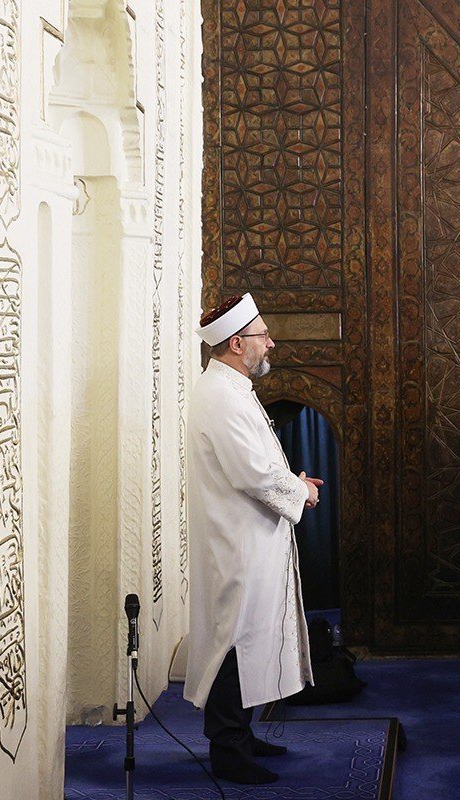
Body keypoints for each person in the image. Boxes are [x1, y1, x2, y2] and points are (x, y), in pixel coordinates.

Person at [183, 293, 322, 785]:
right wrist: (299, 490)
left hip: (251, 536)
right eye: (263, 335)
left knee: (250, 637)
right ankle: (227, 749)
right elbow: (252, 472)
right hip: (239, 542)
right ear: (238, 343)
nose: (271, 343)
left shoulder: (231, 388)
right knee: (234, 643)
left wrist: (292, 483)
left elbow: (257, 464)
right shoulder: (221, 395)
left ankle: (241, 735)